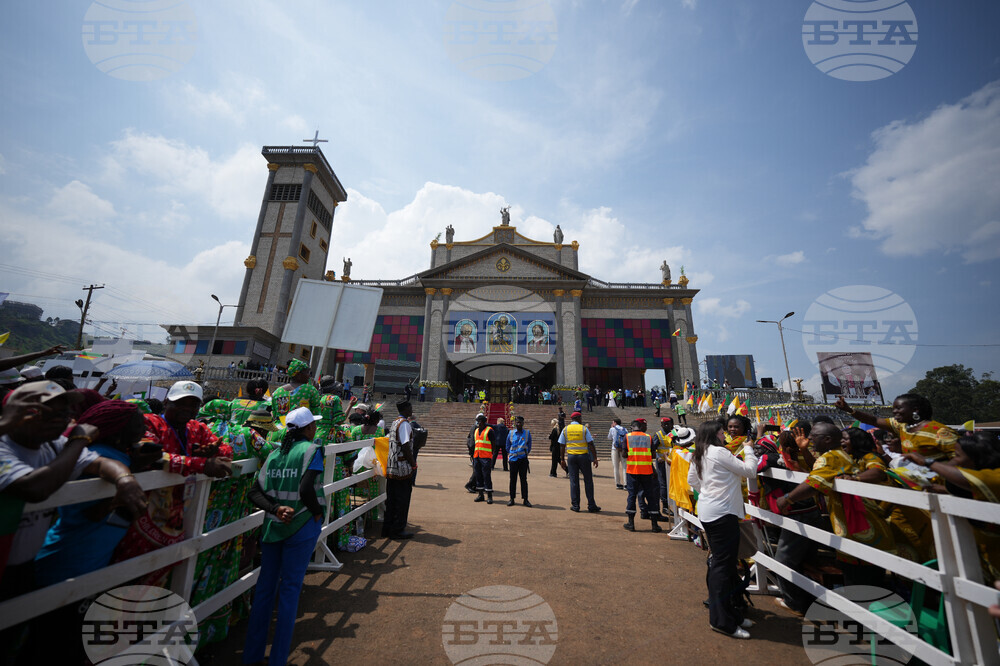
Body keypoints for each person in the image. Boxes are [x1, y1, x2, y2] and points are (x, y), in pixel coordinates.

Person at [0, 383, 148, 598]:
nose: (62, 419)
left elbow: (101, 464)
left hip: (23, 564)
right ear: (18, 413)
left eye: (65, 412)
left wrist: (125, 480)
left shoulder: (53, 444)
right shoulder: (5, 446)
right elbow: (34, 488)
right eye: (51, 411)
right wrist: (79, 440)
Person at [112, 381, 233, 587]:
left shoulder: (196, 427)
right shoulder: (149, 423)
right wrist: (200, 463)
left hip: (177, 519)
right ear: (166, 402)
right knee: (128, 580)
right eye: (180, 403)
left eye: (193, 405)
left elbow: (227, 451)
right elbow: (150, 455)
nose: (187, 409)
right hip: (143, 516)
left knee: (162, 583)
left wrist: (212, 452)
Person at [244, 407, 325, 666]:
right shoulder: (312, 450)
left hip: (274, 527)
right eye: (313, 425)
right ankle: (278, 660)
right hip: (301, 525)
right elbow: (305, 489)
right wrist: (316, 513)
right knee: (290, 592)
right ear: (309, 428)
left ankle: (252, 656)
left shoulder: (275, 453)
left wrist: (276, 509)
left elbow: (254, 492)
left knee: (265, 592)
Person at [687, 420, 757, 639]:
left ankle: (730, 614)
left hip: (709, 511)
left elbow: (692, 480)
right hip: (723, 514)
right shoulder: (719, 452)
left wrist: (709, 490)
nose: (725, 434)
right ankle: (721, 620)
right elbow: (750, 471)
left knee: (724, 565)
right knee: (722, 567)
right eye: (721, 431)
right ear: (714, 434)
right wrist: (748, 448)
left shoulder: (700, 452)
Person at [836, 393, 957, 462]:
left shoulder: (941, 432)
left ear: (915, 410)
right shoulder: (901, 426)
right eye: (894, 409)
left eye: (898, 408)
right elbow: (874, 420)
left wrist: (932, 467)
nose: (894, 412)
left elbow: (963, 461)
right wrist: (849, 410)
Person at [622, 419, 663, 532]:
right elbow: (653, 455)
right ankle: (654, 525)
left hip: (632, 471)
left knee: (632, 495)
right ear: (640, 426)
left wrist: (632, 454)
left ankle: (631, 523)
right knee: (651, 496)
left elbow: (624, 454)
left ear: (632, 427)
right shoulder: (648, 437)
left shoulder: (627, 437)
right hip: (647, 471)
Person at [383, 401, 417, 538]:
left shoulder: (395, 422)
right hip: (402, 467)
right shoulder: (404, 424)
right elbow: (405, 446)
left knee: (391, 498)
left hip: (392, 466)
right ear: (405, 409)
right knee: (402, 499)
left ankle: (388, 528)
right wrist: (413, 464)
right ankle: (398, 529)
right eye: (410, 408)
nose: (412, 410)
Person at [558, 411, 600, 513]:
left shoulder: (566, 429)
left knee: (574, 481)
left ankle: (576, 505)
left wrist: (562, 459)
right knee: (588, 480)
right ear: (578, 418)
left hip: (571, 457)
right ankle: (591, 505)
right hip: (583, 457)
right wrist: (595, 458)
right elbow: (590, 444)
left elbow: (562, 445)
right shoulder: (583, 428)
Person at [506, 416, 532, 507]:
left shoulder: (527, 433)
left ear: (523, 423)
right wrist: (512, 453)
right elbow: (507, 445)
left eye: (520, 422)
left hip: (523, 460)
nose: (518, 424)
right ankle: (511, 498)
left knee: (523, 480)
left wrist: (523, 454)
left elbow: (529, 445)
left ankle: (525, 499)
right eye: (517, 422)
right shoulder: (511, 433)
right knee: (512, 480)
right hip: (513, 460)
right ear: (515, 423)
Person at [471, 414, 495, 504]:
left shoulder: (489, 431)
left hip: (486, 457)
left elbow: (493, 444)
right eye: (477, 421)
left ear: (484, 422)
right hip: (477, 456)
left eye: (480, 421)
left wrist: (490, 454)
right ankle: (480, 495)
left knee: (486, 476)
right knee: (478, 475)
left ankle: (489, 496)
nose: (478, 423)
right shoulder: (476, 430)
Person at [608, 417, 628, 490]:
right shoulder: (625, 429)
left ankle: (618, 483)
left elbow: (609, 438)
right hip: (623, 449)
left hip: (615, 448)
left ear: (615, 423)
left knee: (616, 467)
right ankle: (626, 484)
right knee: (624, 467)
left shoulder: (612, 429)